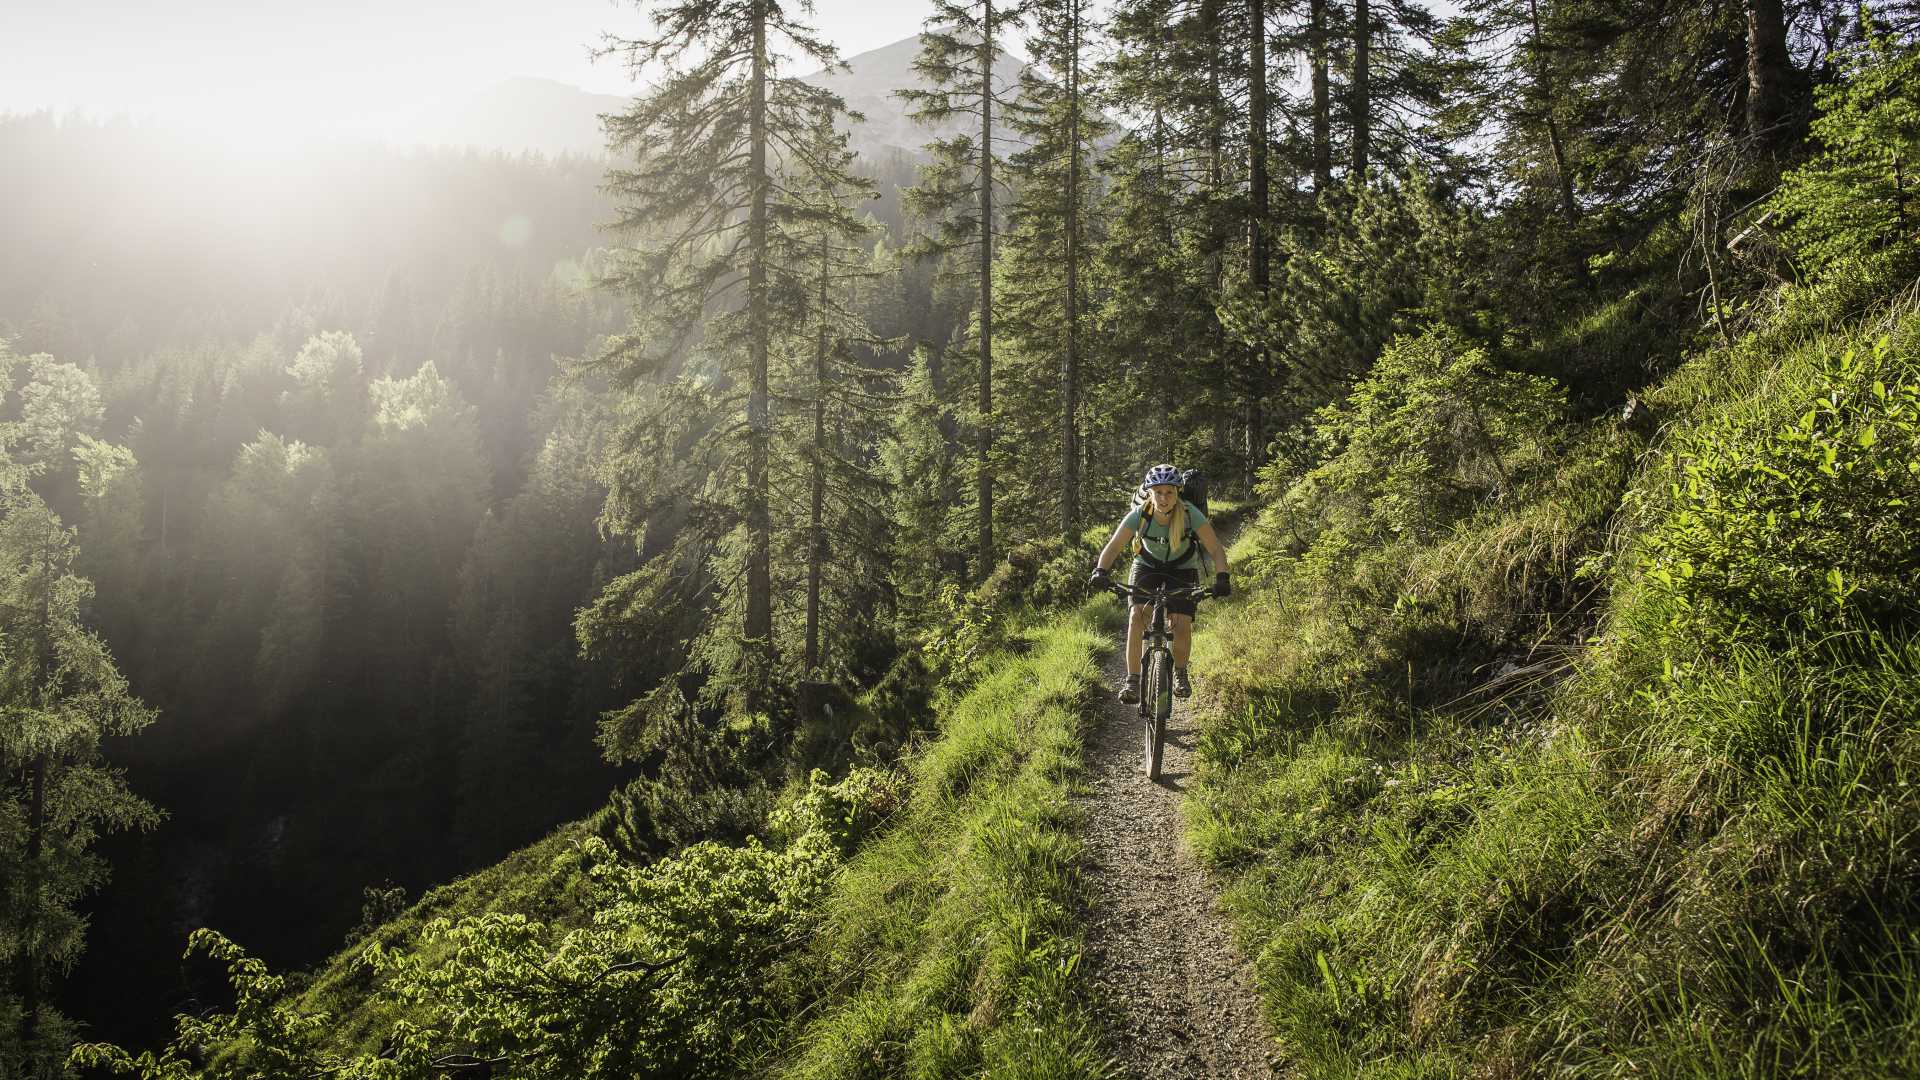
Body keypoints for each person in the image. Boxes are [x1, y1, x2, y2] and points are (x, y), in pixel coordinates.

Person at [1087, 463, 1231, 703]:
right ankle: (1132, 680)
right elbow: (1114, 545)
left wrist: (1222, 577)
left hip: (1182, 568)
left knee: (1181, 623)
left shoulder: (1189, 514)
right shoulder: (1140, 514)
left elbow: (1215, 547)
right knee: (1137, 617)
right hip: (1147, 565)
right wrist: (1100, 571)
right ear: (1149, 492)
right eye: (1158, 492)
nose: (1164, 498)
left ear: (1177, 493)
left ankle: (1180, 674)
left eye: (1169, 492)